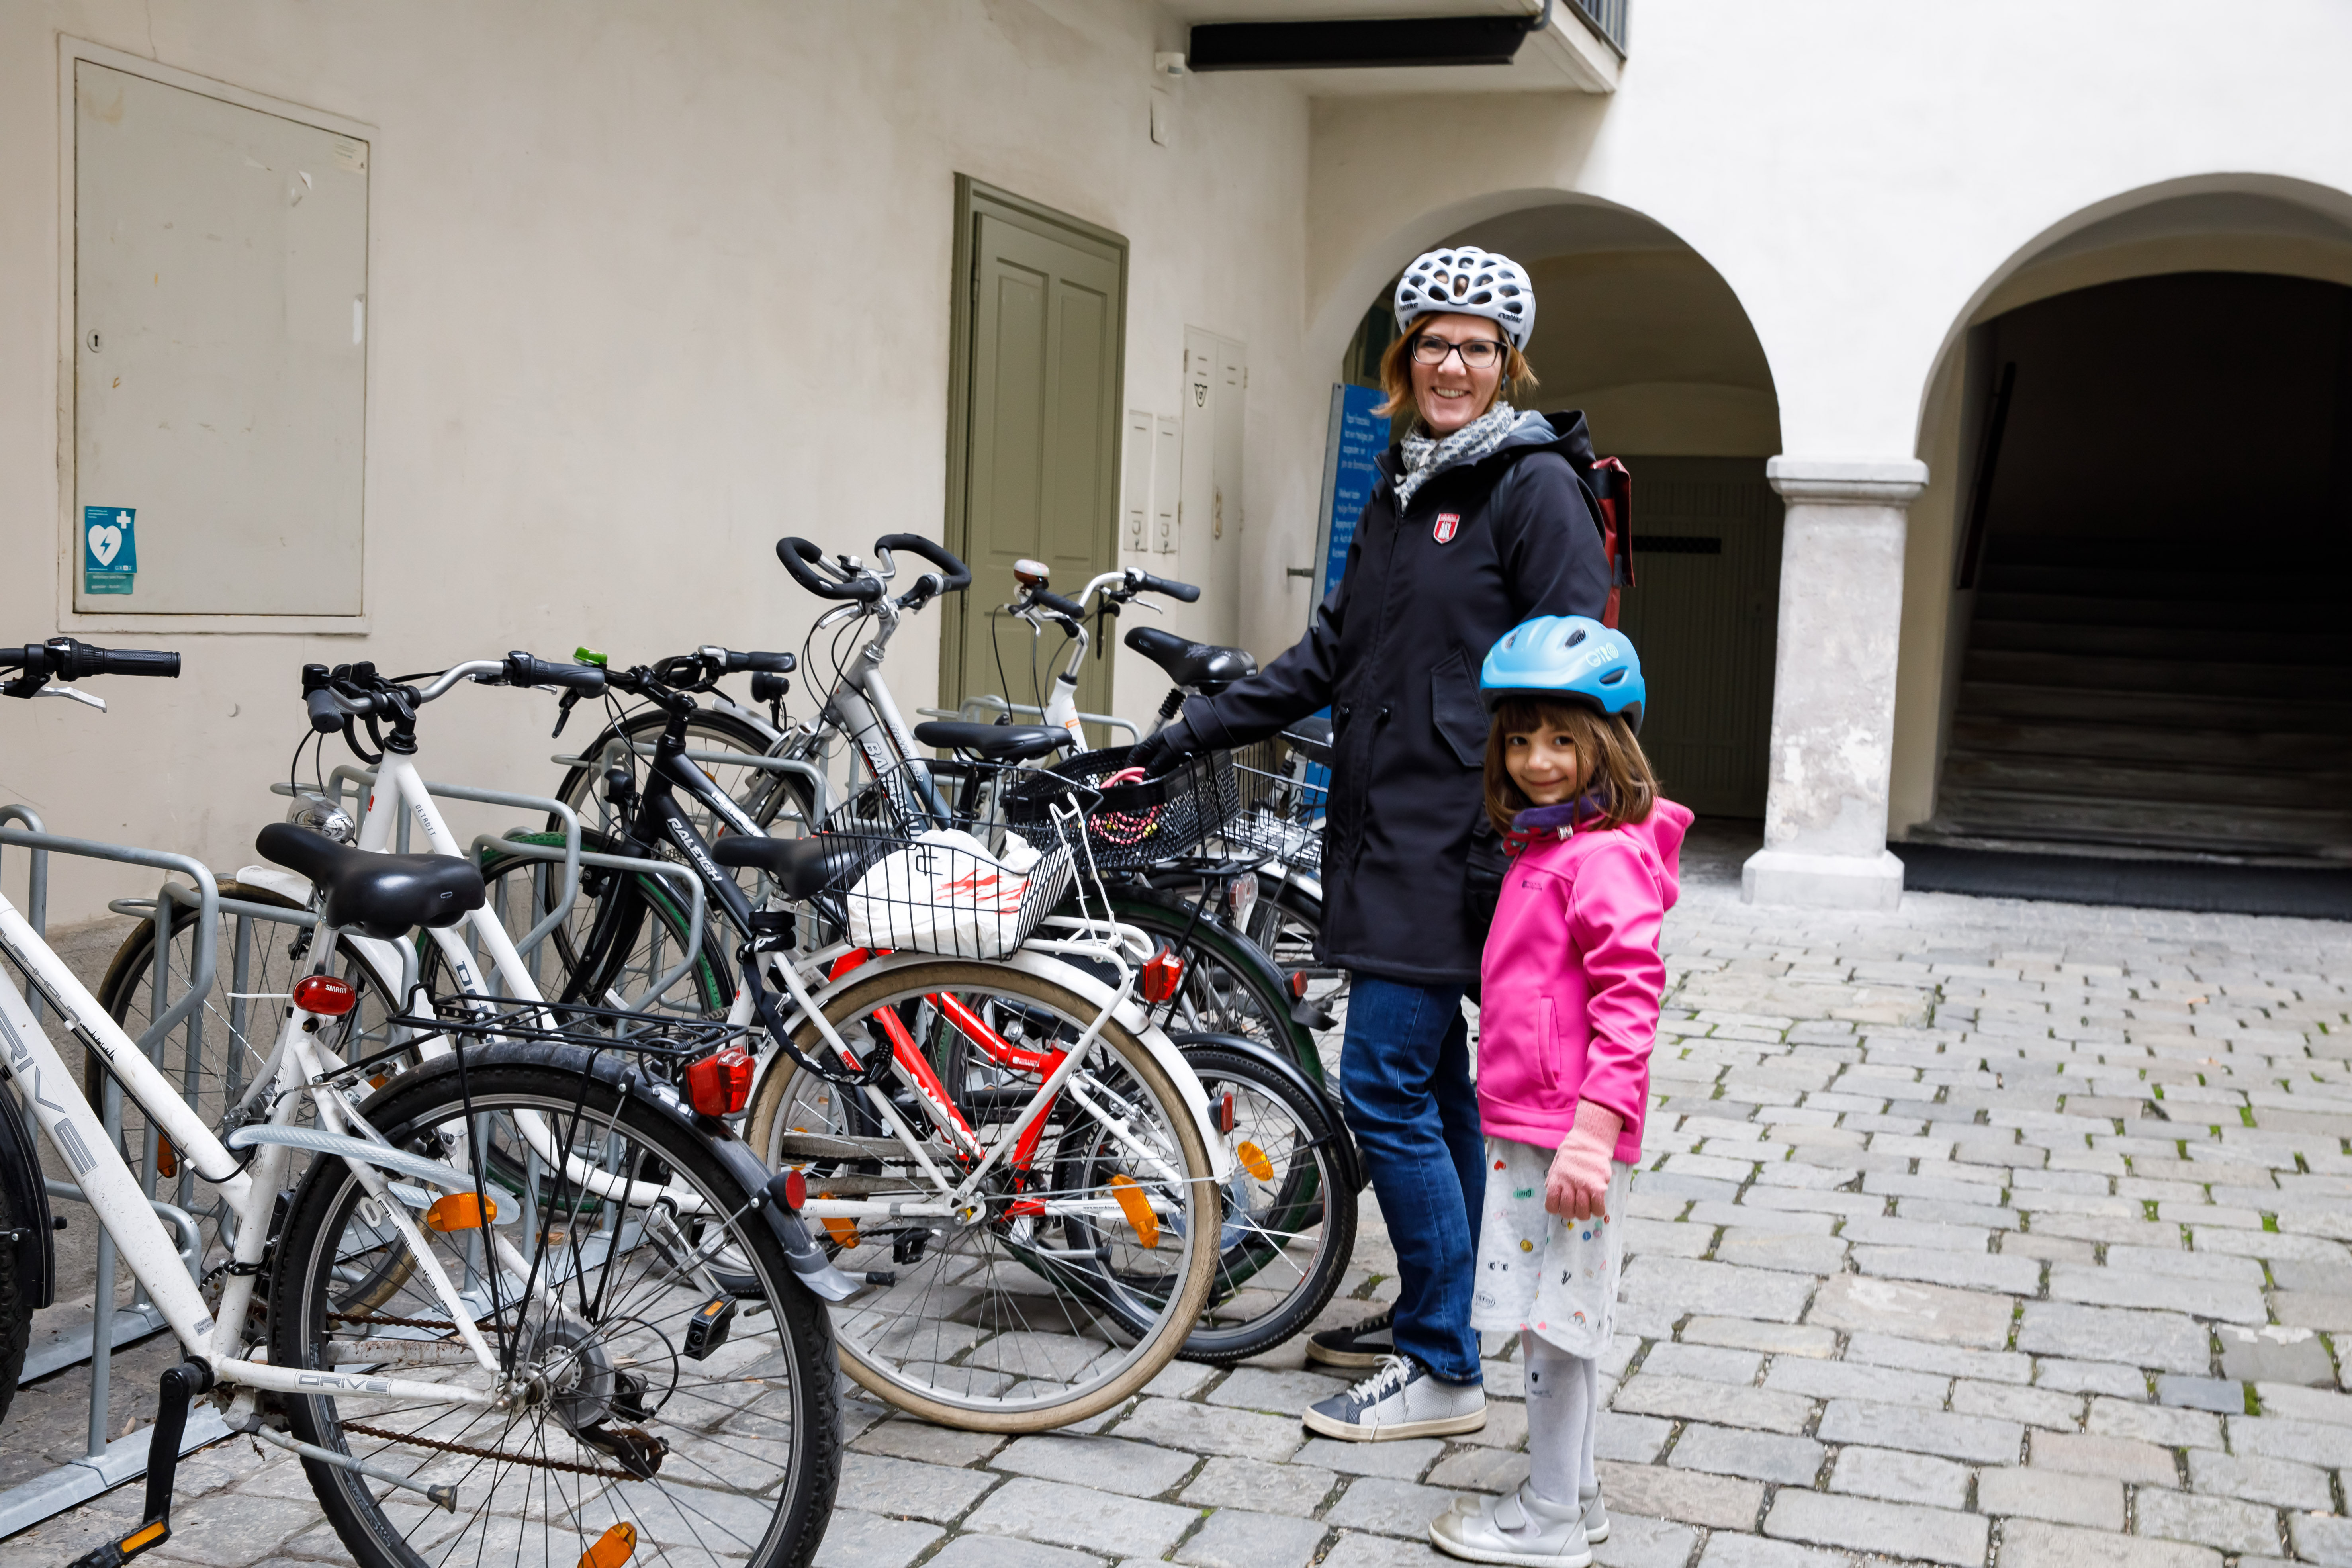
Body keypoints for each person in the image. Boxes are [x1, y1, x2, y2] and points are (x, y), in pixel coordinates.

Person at [1126, 246, 1612, 1441]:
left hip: (1461, 841)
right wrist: (1185, 736)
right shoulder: (1404, 485)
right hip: (1383, 828)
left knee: (1383, 1083)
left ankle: (1442, 1363)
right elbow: (1331, 654)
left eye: (1478, 348)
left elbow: (1577, 678)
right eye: (1434, 343)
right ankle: (1447, 1312)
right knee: (1433, 1086)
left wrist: (1537, 836)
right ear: (1404, 358)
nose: (1453, 364)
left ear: (1507, 365)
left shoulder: (1531, 485)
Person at [1428, 615, 1688, 1568]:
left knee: (1552, 1327)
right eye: (1520, 740)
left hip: (1565, 1132)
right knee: (1560, 1319)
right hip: (1536, 1122)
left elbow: (1632, 998)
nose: (1537, 760)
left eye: (1562, 740)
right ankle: (1575, 1493)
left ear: (1607, 745)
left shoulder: (1601, 857)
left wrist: (1591, 1132)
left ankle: (1546, 1520)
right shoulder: (1550, 846)